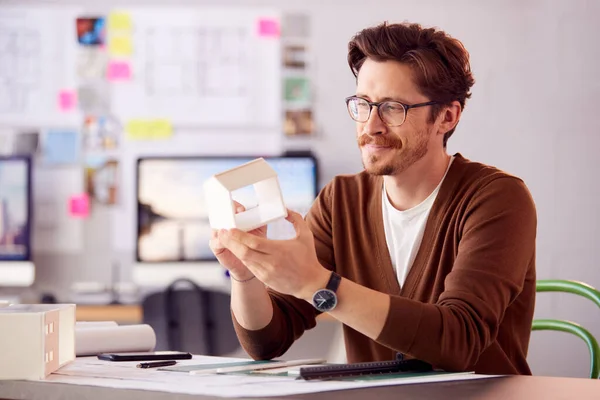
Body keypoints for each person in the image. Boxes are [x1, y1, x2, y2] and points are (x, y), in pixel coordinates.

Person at [209, 21, 537, 375]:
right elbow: (266, 342)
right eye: (363, 104)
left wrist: (318, 284)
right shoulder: (341, 200)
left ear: (446, 116)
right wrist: (246, 277)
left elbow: (458, 341)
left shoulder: (497, 199)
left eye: (393, 108)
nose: (371, 126)